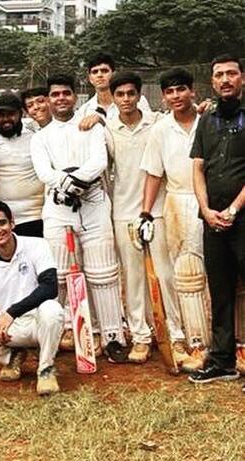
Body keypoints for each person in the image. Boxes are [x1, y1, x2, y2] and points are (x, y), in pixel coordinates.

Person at [30, 74, 127, 361]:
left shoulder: (89, 126)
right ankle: (60, 333)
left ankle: (112, 336)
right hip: (58, 206)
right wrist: (65, 185)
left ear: (75, 96)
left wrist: (76, 182)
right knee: (57, 276)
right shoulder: (40, 137)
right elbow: (44, 173)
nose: (61, 98)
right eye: (55, 94)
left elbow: (98, 162)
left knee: (103, 273)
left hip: (93, 202)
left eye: (66, 93)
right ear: (48, 99)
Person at [105, 72, 196, 369]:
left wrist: (204, 106)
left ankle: (175, 334)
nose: (126, 100)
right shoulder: (107, 127)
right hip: (122, 212)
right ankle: (142, 336)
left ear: (139, 94)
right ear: (114, 97)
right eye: (120, 95)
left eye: (131, 93)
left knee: (166, 275)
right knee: (132, 278)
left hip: (157, 210)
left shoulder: (156, 123)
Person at [140, 68, 213, 370]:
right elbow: (154, 173)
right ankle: (196, 343)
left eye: (181, 89)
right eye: (169, 92)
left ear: (192, 91)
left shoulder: (209, 121)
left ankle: (227, 341)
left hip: (216, 202)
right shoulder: (160, 129)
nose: (176, 96)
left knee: (222, 273)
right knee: (187, 275)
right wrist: (145, 212)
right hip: (179, 203)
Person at [0, 201, 64, 395]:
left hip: (38, 322)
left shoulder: (37, 245)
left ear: (12, 223)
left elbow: (50, 288)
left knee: (52, 310)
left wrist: (10, 312)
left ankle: (46, 368)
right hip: (10, 329)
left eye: (2, 223)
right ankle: (12, 356)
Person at [188, 55, 245, 385]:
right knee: (220, 291)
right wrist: (207, 210)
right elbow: (197, 166)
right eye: (219, 75)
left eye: (231, 74)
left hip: (242, 218)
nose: (225, 79)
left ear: (242, 78)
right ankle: (222, 361)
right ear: (212, 81)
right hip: (212, 221)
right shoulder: (206, 119)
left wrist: (235, 209)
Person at [0, 92, 44, 238]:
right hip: (1, 221)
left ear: (21, 113)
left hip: (35, 217)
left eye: (11, 114)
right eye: (0, 115)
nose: (6, 119)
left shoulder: (36, 135)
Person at [76, 53, 150, 125]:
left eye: (104, 71)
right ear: (90, 78)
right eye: (95, 72)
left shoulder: (137, 101)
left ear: (113, 74)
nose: (99, 75)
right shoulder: (84, 110)